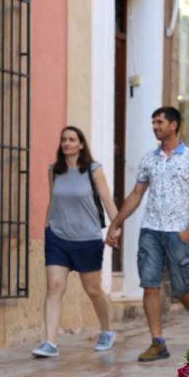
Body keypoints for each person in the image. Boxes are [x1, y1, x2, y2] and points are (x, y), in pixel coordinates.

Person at [106, 107, 189, 362]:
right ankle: (157, 342)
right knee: (150, 285)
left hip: (178, 232)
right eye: (153, 122)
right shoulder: (148, 159)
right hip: (150, 230)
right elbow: (136, 194)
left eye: (159, 122)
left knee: (182, 289)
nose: (155, 127)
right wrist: (116, 223)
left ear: (173, 125)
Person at [32, 126, 118, 358]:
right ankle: (50, 342)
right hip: (57, 237)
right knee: (55, 287)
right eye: (64, 139)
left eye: (72, 139)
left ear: (81, 144)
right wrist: (47, 226)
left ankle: (107, 331)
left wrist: (116, 226)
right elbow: (53, 200)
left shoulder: (93, 170)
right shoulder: (54, 170)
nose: (67, 143)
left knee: (93, 289)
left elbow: (107, 199)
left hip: (87, 238)